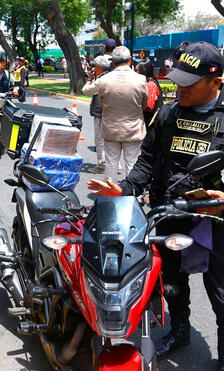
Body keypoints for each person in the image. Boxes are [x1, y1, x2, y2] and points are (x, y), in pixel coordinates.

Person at [87, 41, 224, 368]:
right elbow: (147, 160)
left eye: (189, 84)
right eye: (177, 81)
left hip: (216, 220)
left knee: (221, 292)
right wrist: (123, 187)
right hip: (170, 211)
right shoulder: (169, 113)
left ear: (216, 82)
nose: (179, 88)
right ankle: (179, 329)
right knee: (172, 284)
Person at [96, 46, 148, 178]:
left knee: (111, 163)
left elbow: (101, 103)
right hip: (133, 129)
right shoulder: (140, 79)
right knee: (132, 163)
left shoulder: (104, 80)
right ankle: (131, 194)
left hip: (110, 128)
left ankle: (109, 193)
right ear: (130, 60)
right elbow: (144, 104)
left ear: (113, 62)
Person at [82, 55, 111, 174]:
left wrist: (89, 79)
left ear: (99, 67)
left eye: (95, 66)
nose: (93, 68)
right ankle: (111, 164)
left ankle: (101, 165)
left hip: (101, 113)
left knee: (99, 141)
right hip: (111, 113)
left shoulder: (101, 80)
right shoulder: (110, 76)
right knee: (109, 141)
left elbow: (86, 90)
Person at [136, 60, 164, 127]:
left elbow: (149, 107)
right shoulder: (148, 82)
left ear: (143, 71)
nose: (135, 73)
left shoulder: (151, 85)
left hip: (150, 123)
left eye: (137, 70)